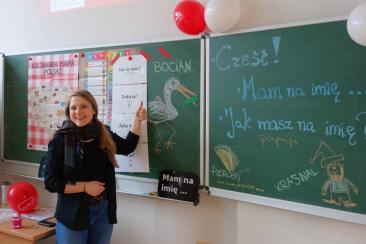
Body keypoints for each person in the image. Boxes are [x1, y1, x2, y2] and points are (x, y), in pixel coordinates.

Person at [43, 90, 147, 244]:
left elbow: (126, 147)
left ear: (93, 110)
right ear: (68, 112)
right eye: (73, 108)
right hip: (73, 214)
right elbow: (51, 182)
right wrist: (84, 187)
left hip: (103, 212)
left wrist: (138, 120)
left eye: (84, 106)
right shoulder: (60, 139)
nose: (78, 112)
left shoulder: (103, 133)